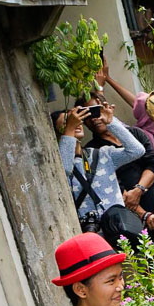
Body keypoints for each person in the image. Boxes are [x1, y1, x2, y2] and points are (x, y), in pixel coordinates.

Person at [98, 62, 154, 225]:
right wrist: (108, 79)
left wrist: (99, 89)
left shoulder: (144, 136)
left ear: (144, 116)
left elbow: (109, 123)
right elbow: (138, 103)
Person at [52, 103, 146, 248]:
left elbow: (136, 150)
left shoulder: (102, 154)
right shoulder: (58, 164)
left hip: (120, 230)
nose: (76, 124)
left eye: (76, 120)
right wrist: (69, 131)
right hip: (91, 239)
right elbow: (64, 173)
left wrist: (111, 122)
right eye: (67, 122)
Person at [79, 94, 154, 236]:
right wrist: (144, 214)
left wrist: (139, 190)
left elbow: (153, 164)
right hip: (126, 217)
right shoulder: (92, 152)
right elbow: (109, 187)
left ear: (105, 108)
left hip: (153, 203)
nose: (93, 118)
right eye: (86, 115)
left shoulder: (135, 134)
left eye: (95, 111)